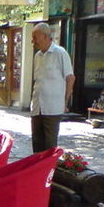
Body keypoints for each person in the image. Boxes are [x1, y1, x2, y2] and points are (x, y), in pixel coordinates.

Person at [30, 22, 75, 153]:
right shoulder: (37, 56)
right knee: (37, 144)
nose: (33, 41)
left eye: (35, 37)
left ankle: (50, 166)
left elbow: (70, 78)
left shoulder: (60, 53)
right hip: (37, 107)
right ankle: (37, 166)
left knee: (49, 145)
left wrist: (65, 101)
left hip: (52, 107)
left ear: (45, 36)